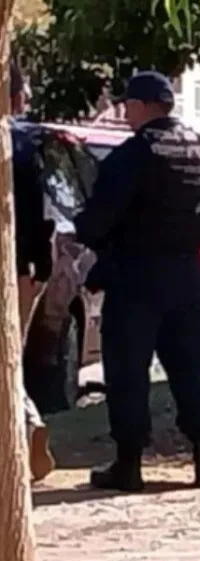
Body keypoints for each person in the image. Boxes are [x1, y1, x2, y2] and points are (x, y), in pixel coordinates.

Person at [73, 71, 200, 492]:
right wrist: (190, 242)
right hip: (187, 273)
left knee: (128, 370)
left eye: (128, 105)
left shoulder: (132, 155)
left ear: (143, 106)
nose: (125, 113)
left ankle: (129, 465)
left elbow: (97, 221)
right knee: (191, 365)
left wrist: (96, 237)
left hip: (137, 274)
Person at [9, 59, 57, 482]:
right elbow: (40, 212)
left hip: (18, 262)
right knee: (9, 359)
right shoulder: (23, 144)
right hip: (20, 266)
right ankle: (27, 425)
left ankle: (25, 426)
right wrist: (41, 264)